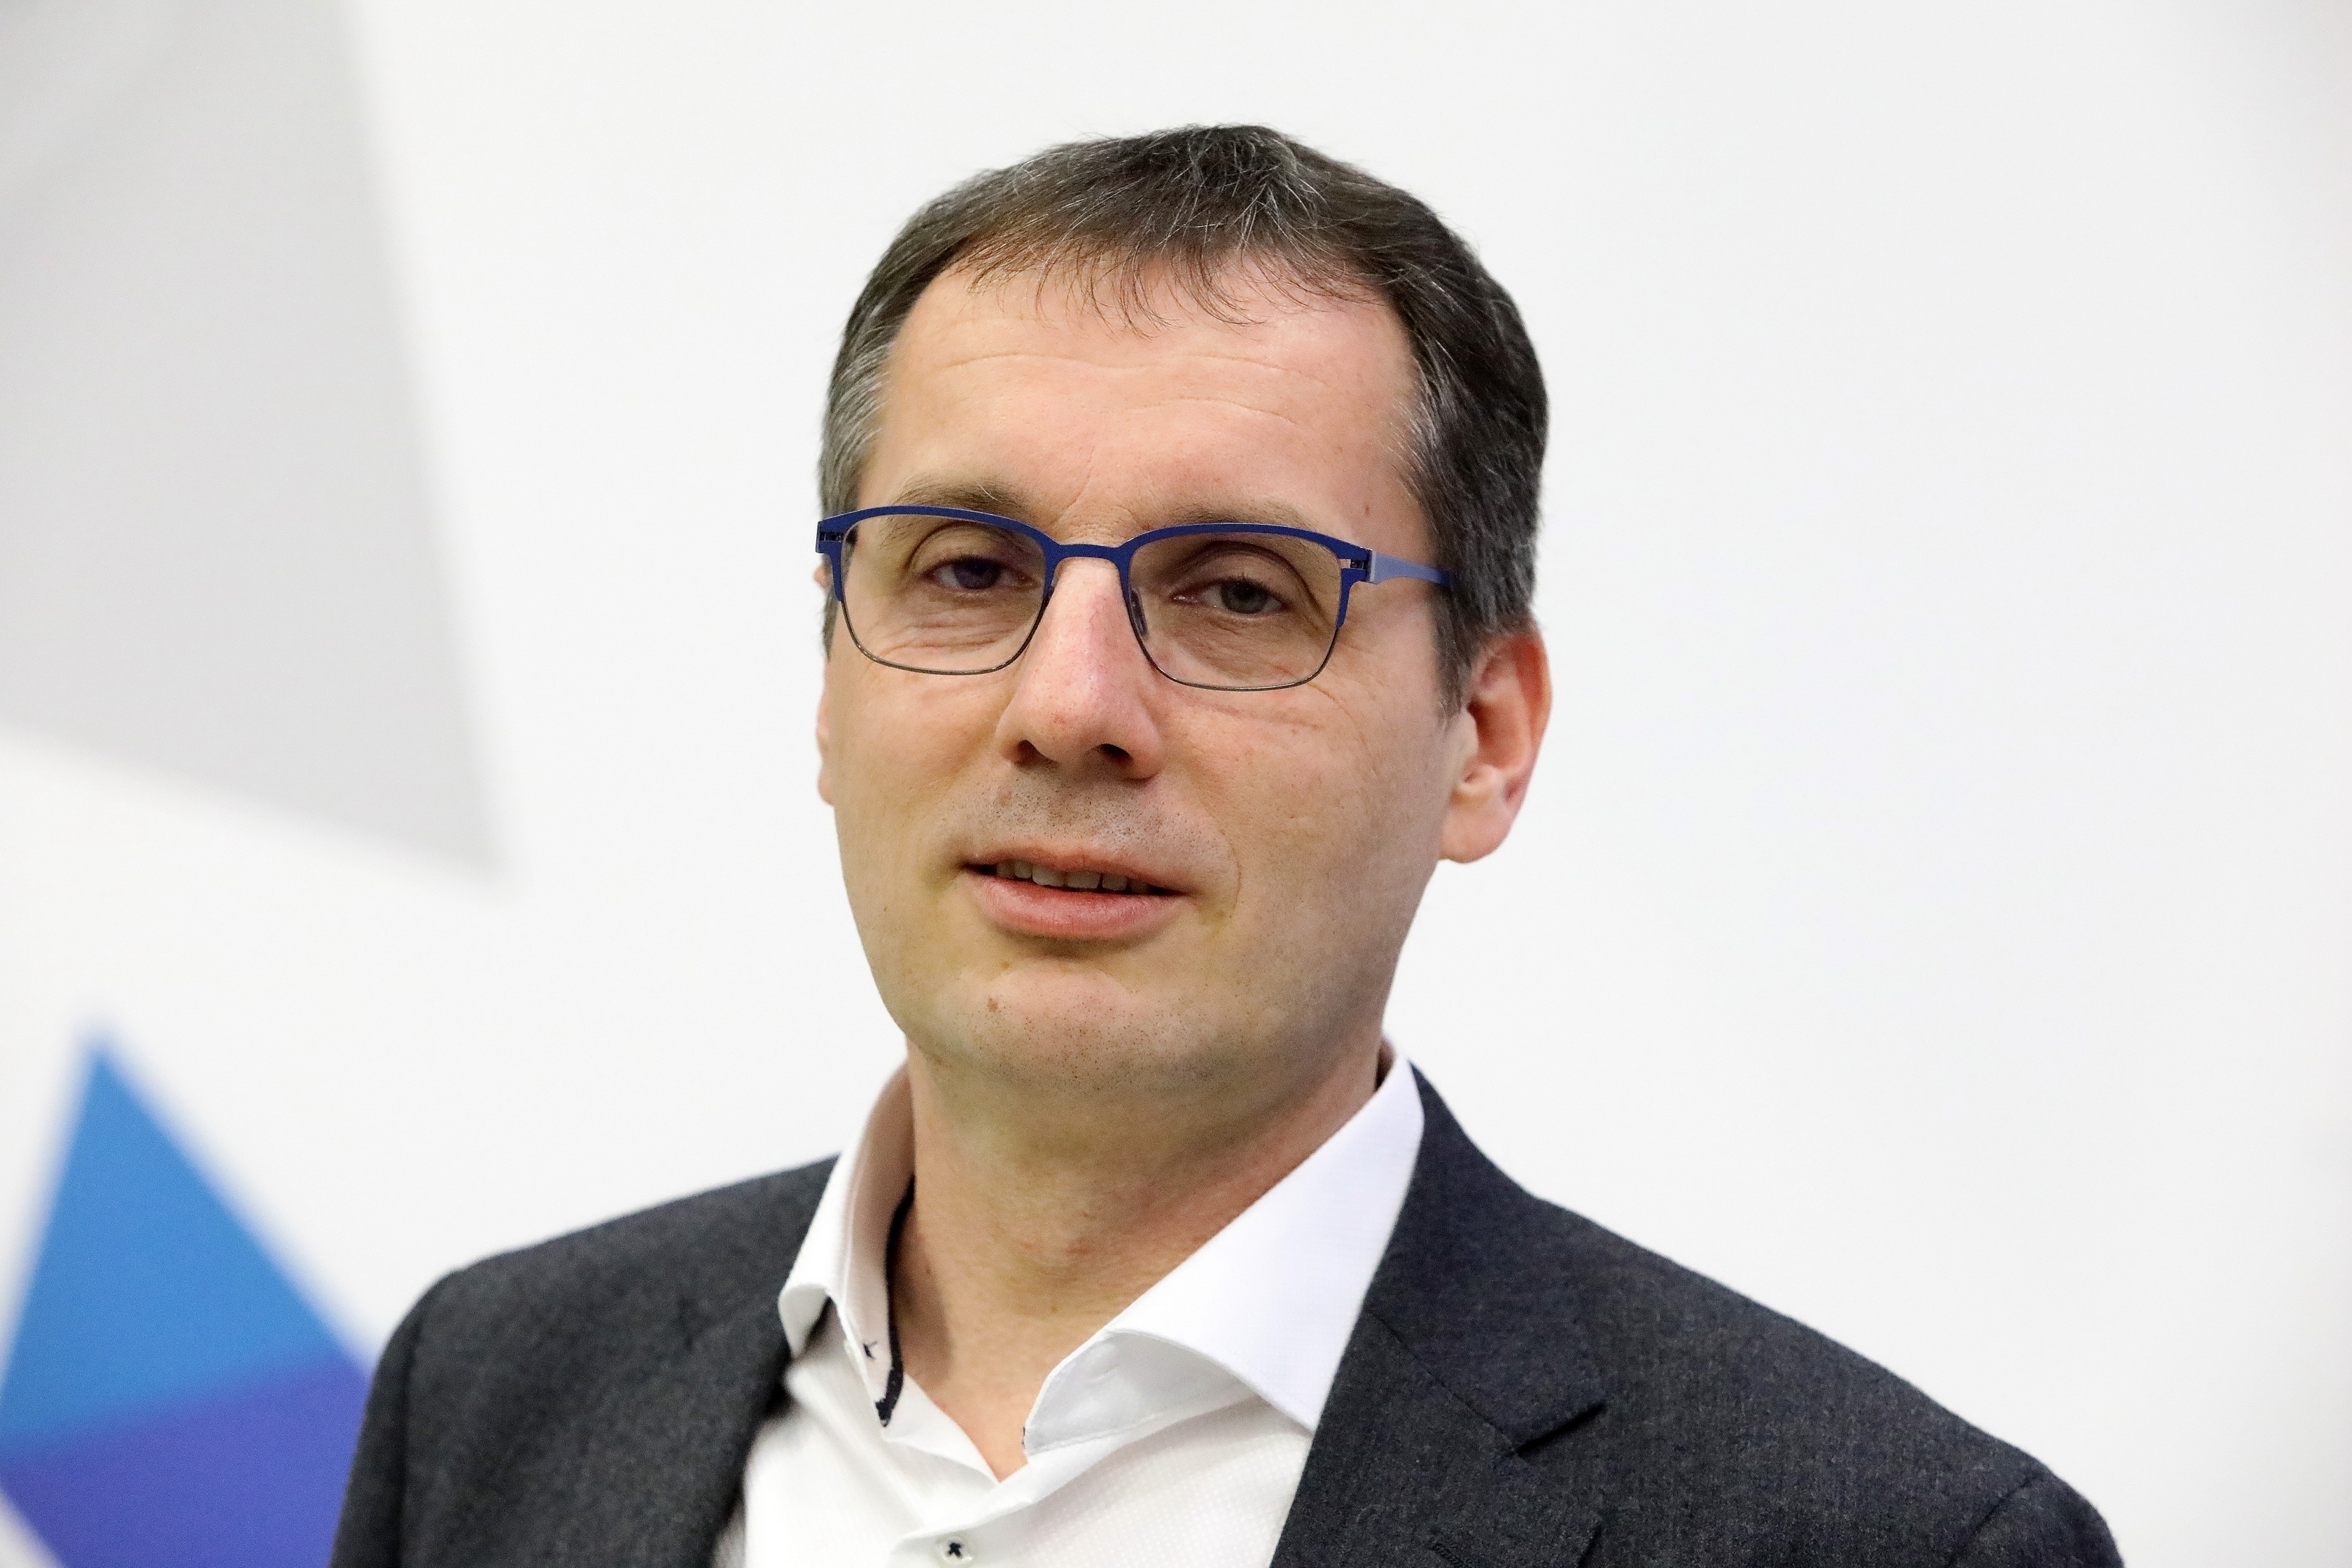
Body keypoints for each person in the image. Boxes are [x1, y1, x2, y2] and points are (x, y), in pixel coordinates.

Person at [331, 125, 2120, 1568]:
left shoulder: (1883, 1540)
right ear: (828, 674)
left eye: (1241, 592)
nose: (1070, 705)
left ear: (1484, 736)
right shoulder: (494, 1395)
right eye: (969, 570)